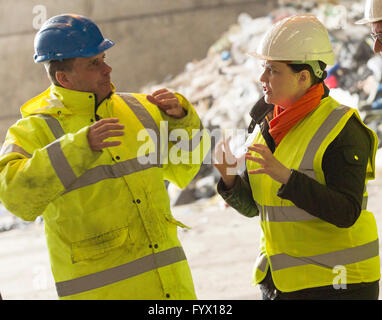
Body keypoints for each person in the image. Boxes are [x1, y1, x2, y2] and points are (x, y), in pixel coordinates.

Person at [0, 14, 210, 300]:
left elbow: (184, 169)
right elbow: (15, 196)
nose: (108, 69)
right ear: (64, 78)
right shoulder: (34, 129)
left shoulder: (138, 108)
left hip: (170, 290)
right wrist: (80, 147)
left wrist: (183, 120)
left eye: (104, 58)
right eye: (94, 64)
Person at [214, 14, 380, 300]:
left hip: (337, 285)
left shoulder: (341, 128)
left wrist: (286, 177)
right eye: (263, 68)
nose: (262, 78)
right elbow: (260, 208)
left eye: (272, 70)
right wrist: (229, 180)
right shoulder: (268, 125)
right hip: (283, 283)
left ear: (303, 77)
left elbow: (346, 212)